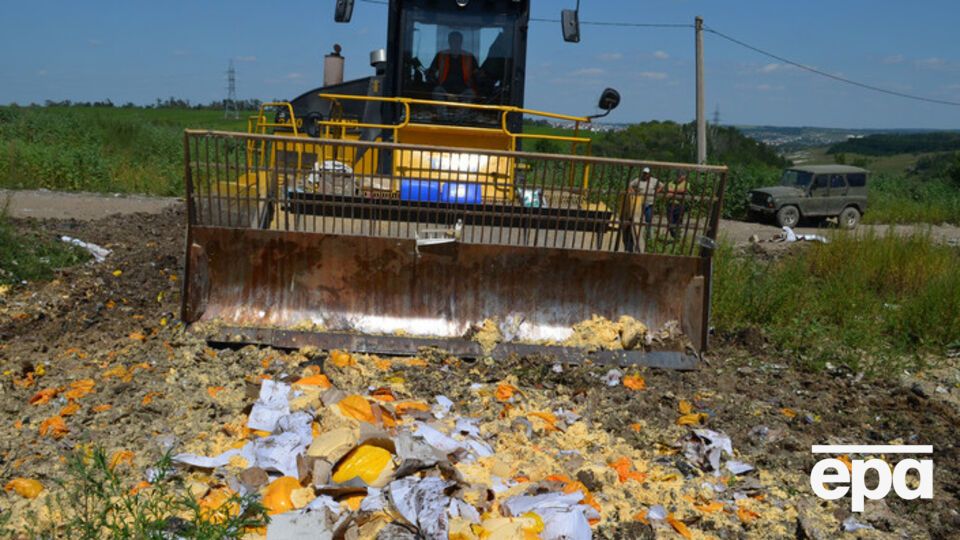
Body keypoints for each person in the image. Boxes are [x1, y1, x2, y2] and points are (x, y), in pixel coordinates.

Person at [428, 31, 479, 100]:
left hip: (464, 89)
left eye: (458, 41)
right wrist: (430, 76)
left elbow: (477, 73)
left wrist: (479, 77)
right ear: (449, 41)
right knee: (436, 92)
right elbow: (432, 71)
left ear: (461, 42)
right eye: (453, 40)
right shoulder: (441, 55)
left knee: (471, 93)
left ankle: (462, 111)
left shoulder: (469, 57)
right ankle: (442, 111)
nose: (455, 43)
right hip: (443, 88)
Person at [621, 167, 659, 253]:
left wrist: (656, 192)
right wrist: (633, 191)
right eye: (644, 173)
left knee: (648, 219)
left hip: (649, 203)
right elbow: (629, 185)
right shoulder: (638, 180)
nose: (645, 175)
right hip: (639, 203)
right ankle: (639, 237)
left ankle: (649, 236)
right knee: (637, 220)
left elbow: (662, 185)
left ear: (649, 174)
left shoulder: (654, 181)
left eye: (646, 173)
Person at [665, 173, 688, 239]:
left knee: (678, 222)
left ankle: (677, 237)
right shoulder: (671, 183)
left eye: (680, 176)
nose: (678, 177)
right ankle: (674, 236)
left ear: (684, 176)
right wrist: (677, 192)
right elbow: (668, 190)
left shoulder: (686, 183)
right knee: (670, 222)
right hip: (670, 205)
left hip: (680, 205)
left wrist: (672, 192)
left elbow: (684, 190)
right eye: (677, 175)